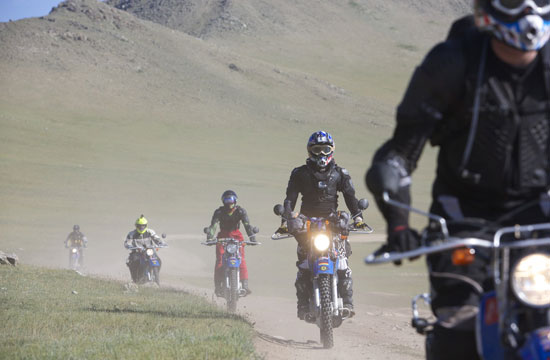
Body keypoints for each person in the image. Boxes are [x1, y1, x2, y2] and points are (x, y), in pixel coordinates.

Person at [365, 1, 550, 359]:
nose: (527, 10)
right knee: (459, 329)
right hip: (463, 216)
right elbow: (399, 154)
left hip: (541, 213)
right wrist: (399, 226)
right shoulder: (453, 63)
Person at [278, 130, 368, 319]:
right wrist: (287, 219)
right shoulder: (299, 173)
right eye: (317, 150)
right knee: (303, 265)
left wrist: (358, 217)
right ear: (310, 151)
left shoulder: (340, 173)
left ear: (332, 150)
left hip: (331, 221)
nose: (321, 154)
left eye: (325, 149)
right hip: (307, 222)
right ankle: (302, 306)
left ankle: (348, 303)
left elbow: (350, 196)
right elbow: (290, 199)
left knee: (343, 262)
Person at [205, 190, 257, 296]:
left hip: (237, 235)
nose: (229, 202)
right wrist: (209, 237)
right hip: (222, 237)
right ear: (223, 201)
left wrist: (252, 237)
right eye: (227, 199)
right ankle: (218, 286)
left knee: (241, 259)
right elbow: (213, 226)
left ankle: (245, 285)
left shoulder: (241, 211)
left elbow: (247, 225)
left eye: (231, 199)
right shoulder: (219, 212)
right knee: (220, 260)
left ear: (235, 200)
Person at [124, 215, 166, 282]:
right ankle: (135, 278)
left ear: (146, 225)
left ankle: (156, 276)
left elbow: (157, 238)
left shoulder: (150, 232)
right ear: (136, 226)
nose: (141, 227)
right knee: (133, 261)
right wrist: (129, 246)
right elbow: (127, 242)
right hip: (137, 252)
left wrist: (161, 243)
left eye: (143, 226)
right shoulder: (132, 234)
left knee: (158, 260)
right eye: (140, 226)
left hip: (149, 251)